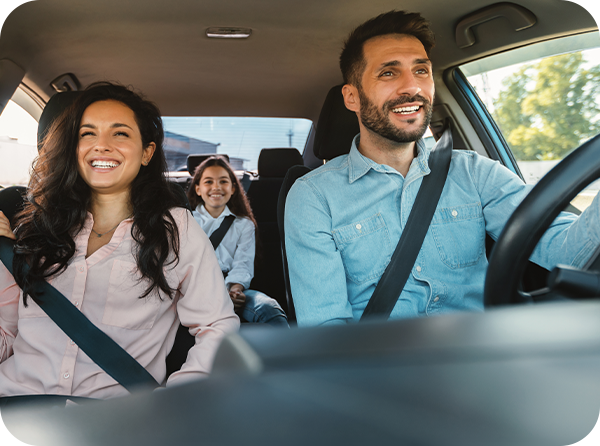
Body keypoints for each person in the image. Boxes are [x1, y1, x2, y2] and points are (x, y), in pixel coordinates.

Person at [284, 10, 600, 326]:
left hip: (480, 360)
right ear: (352, 97)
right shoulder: (313, 196)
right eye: (389, 74)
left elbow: (571, 253)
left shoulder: (476, 174)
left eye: (421, 71)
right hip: (381, 368)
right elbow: (326, 330)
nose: (413, 87)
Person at [0, 82, 239, 399]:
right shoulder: (32, 227)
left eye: (120, 133)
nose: (102, 145)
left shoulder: (176, 229)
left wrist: (176, 405)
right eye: (88, 134)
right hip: (16, 406)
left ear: (146, 152)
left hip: (114, 421)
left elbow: (217, 327)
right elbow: (7, 332)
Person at [188, 156, 288, 327]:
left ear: (233, 188)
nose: (216, 187)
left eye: (223, 181)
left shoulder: (244, 224)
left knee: (270, 309)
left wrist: (234, 290)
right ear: (198, 189)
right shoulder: (186, 221)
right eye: (208, 182)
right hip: (194, 291)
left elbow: (243, 263)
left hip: (230, 287)